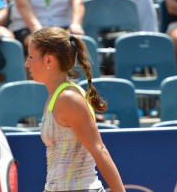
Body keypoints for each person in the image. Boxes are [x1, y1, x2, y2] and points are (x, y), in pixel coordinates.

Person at [25, 26, 125, 192]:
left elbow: (99, 150)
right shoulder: (57, 96)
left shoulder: (68, 99)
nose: (26, 63)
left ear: (49, 61)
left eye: (30, 57)